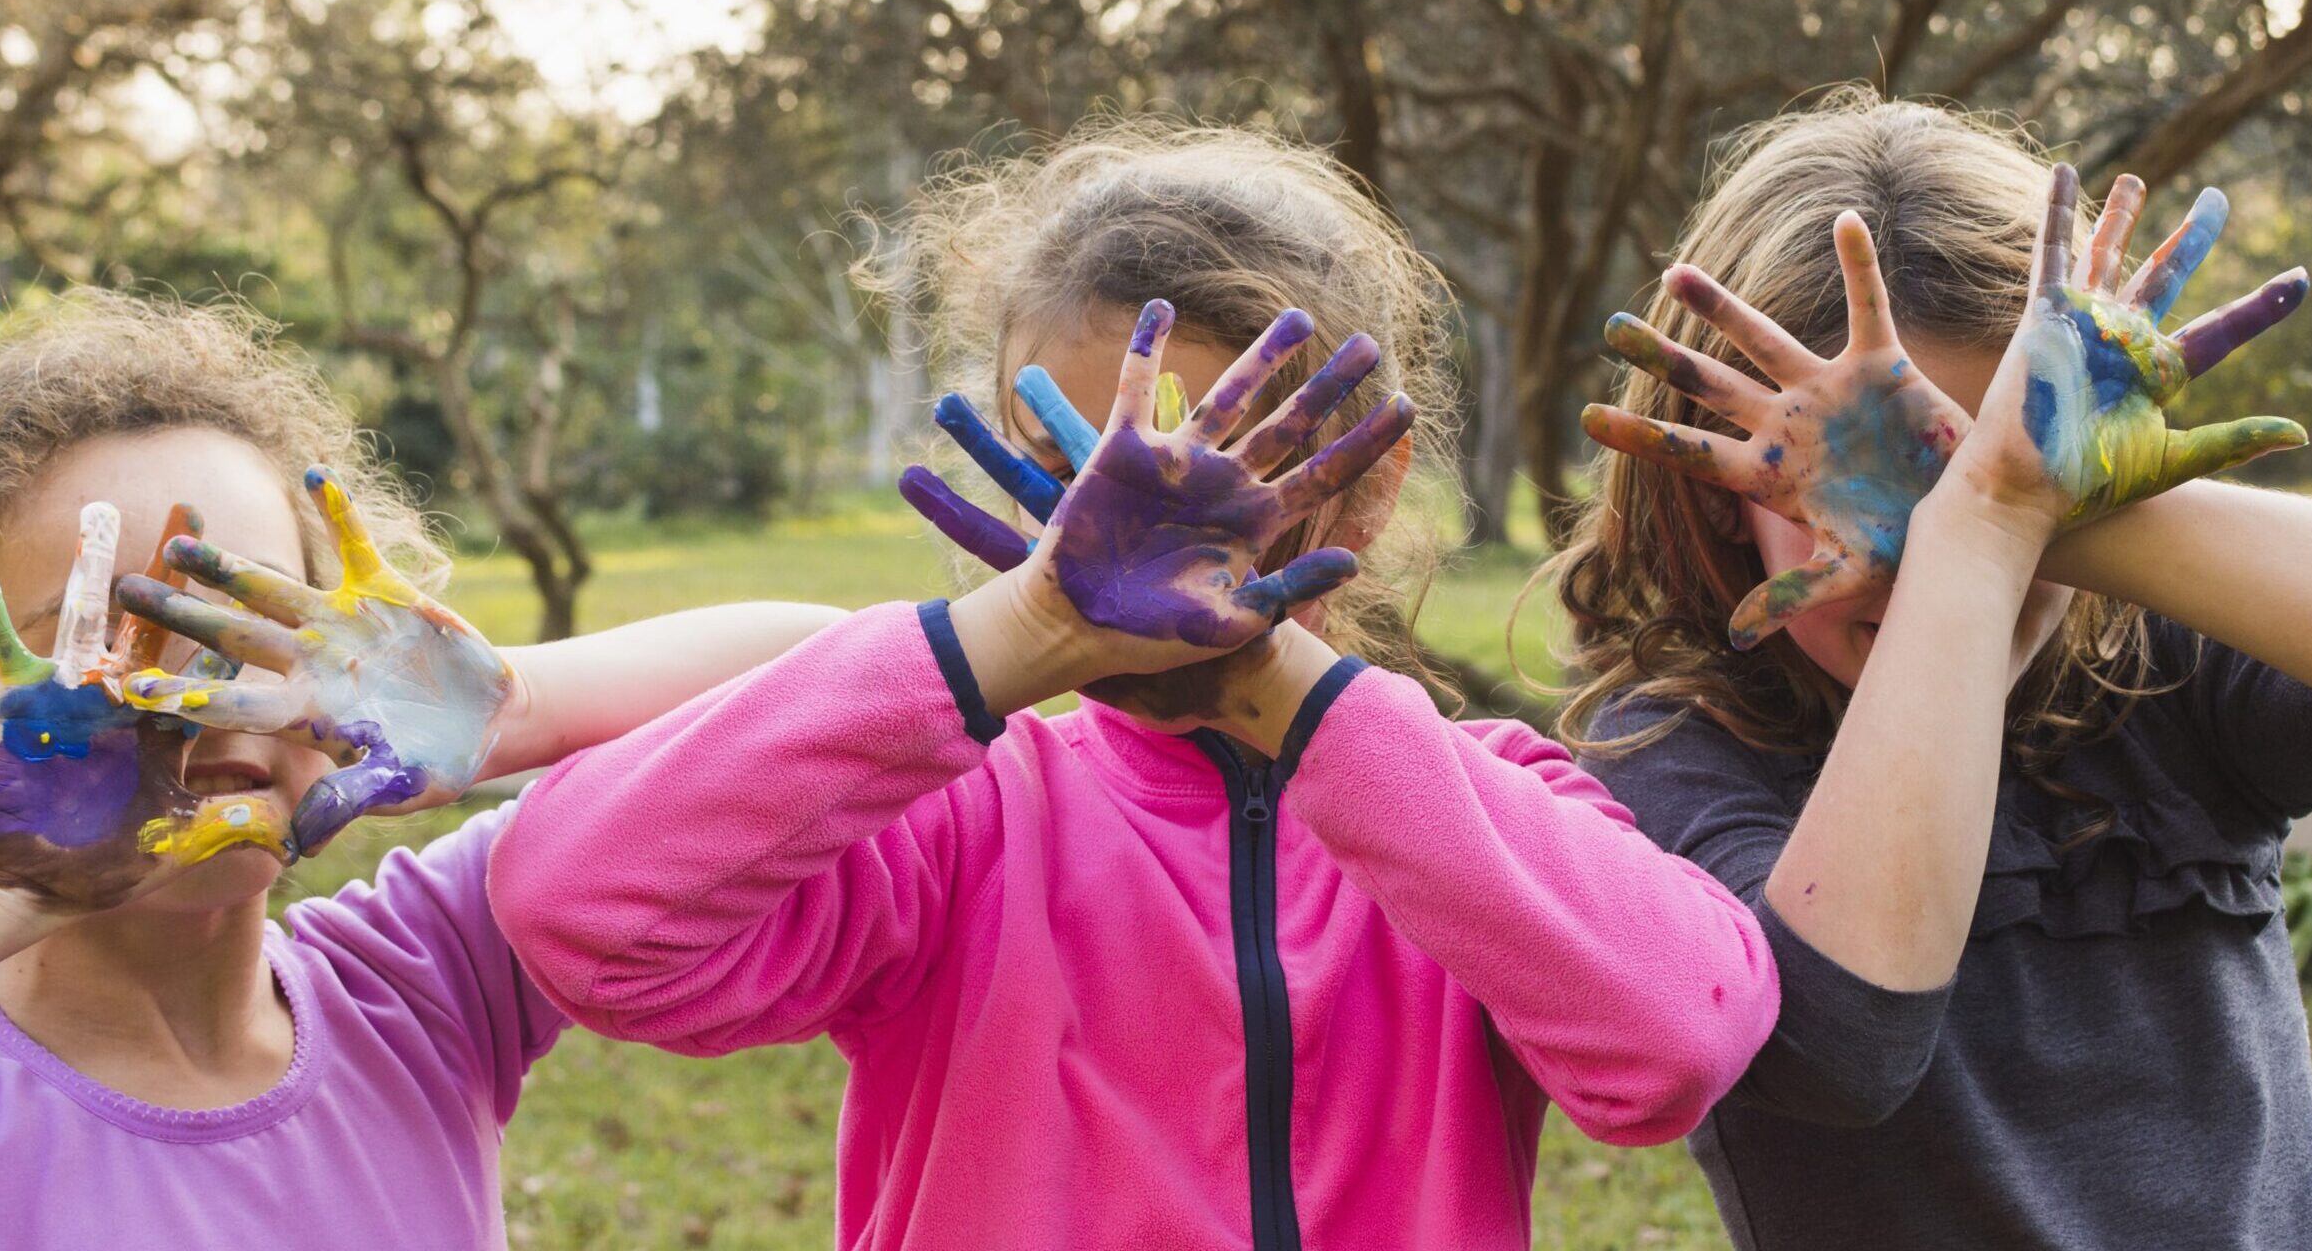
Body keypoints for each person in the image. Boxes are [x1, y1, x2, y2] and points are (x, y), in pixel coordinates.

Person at [490, 121, 1780, 1249]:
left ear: (1371, 484)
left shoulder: (1481, 810)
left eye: (1209, 449)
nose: (1125, 518)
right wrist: (1007, 633)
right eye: (1068, 457)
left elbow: (1675, 1044)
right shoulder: (960, 821)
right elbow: (575, 907)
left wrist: (1280, 681)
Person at [1555, 92, 2312, 1249]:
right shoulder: (1665, 761)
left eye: (1966, 482)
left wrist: (2026, 502)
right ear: (1716, 497)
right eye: (1854, 494)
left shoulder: (2155, 675)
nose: (1932, 558)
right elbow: (1842, 1044)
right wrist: (1989, 513)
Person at [0, 291, 843, 1247]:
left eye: (259, 622)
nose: (193, 692)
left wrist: (515, 705)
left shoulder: (424, 971)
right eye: (101, 644)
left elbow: (827, 675)